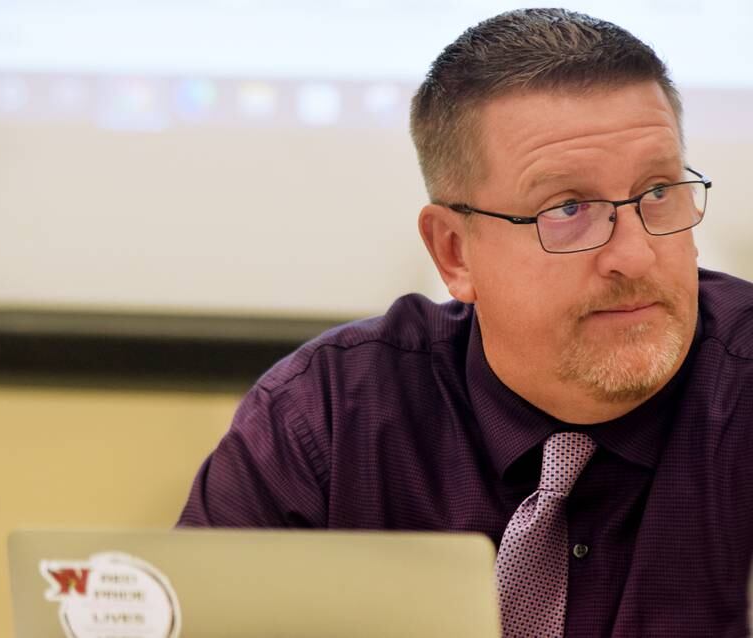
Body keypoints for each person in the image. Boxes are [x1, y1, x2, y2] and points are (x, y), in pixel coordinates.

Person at [178, 8, 753, 636]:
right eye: (567, 208)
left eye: (658, 193)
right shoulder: (326, 423)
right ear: (454, 252)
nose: (635, 254)